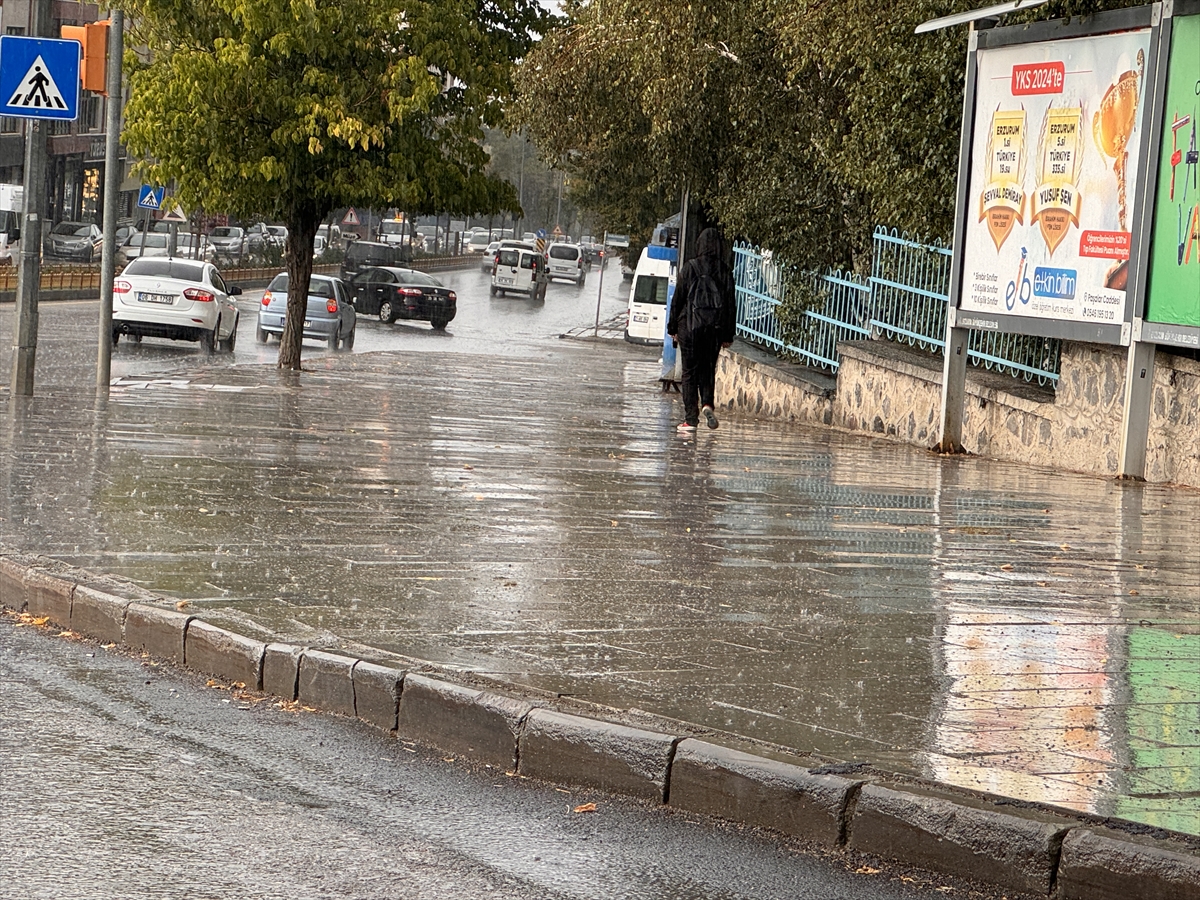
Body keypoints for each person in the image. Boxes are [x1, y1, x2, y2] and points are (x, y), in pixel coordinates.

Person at [666, 227, 737, 433]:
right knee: (707, 369)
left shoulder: (690, 268)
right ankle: (707, 404)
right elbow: (731, 305)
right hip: (714, 330)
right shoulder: (724, 271)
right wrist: (727, 335)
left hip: (689, 327)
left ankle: (690, 419)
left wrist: (673, 328)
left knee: (689, 373)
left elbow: (677, 299)